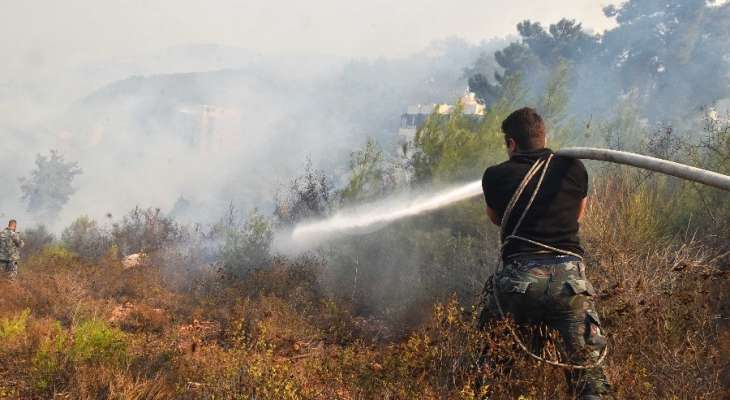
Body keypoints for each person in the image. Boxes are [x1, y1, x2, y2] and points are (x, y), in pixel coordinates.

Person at [479, 108, 613, 399]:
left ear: (511, 143)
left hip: (519, 283)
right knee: (589, 378)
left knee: (492, 373)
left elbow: (496, 219)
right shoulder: (573, 168)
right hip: (570, 285)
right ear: (544, 137)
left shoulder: (494, 176)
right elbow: (578, 217)